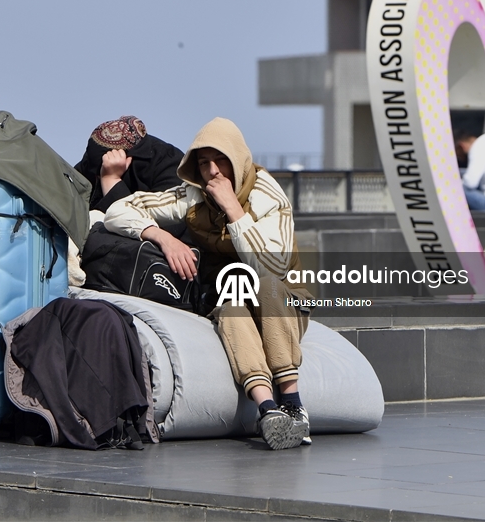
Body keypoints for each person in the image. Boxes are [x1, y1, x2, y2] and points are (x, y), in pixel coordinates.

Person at [103, 117, 312, 450]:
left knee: (266, 285)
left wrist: (232, 208)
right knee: (230, 305)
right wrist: (161, 236)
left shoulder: (268, 196)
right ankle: (268, 411)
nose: (213, 172)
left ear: (238, 161)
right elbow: (119, 211)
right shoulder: (192, 196)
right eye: (203, 164)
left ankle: (293, 404)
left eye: (221, 162)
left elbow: (273, 265)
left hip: (284, 301)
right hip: (236, 297)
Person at [73, 116, 185, 214]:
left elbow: (146, 225)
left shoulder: (169, 165)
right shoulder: (92, 159)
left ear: (127, 160)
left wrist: (111, 179)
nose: (98, 178)